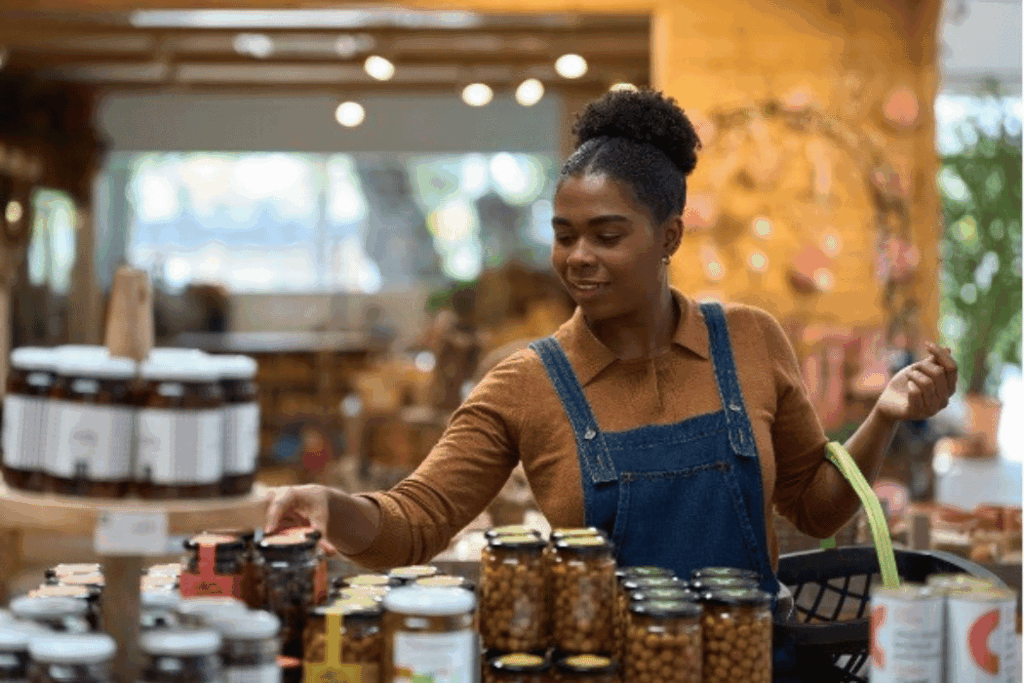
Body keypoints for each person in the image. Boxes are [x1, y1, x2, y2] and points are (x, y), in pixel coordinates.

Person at [264, 89, 957, 679]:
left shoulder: (750, 339)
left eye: (606, 234)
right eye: (564, 235)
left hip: (757, 667)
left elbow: (815, 506)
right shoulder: (526, 381)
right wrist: (331, 503)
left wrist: (886, 416)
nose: (578, 258)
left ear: (669, 236)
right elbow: (414, 524)